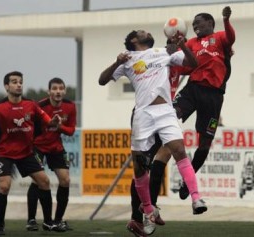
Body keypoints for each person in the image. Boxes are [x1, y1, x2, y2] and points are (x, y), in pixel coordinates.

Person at [99, 30, 207, 235]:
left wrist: (183, 45)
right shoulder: (127, 58)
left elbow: (193, 64)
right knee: (140, 167)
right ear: (133, 40)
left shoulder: (162, 52)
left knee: (179, 150)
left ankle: (196, 198)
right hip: (143, 114)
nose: (147, 32)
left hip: (166, 110)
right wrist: (116, 62)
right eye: (142, 32)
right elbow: (102, 80)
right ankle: (147, 210)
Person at [0, 71, 66, 235]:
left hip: (26, 153)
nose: (19, 84)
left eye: (20, 82)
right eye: (14, 82)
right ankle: (0, 225)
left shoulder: (31, 105)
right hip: (4, 153)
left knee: (44, 181)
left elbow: (47, 119)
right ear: (6, 86)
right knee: (4, 186)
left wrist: (53, 122)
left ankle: (48, 222)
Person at [126, 39, 192, 237]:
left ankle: (150, 208)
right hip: (148, 114)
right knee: (142, 165)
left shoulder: (178, 62)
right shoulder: (157, 60)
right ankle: (137, 218)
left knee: (164, 157)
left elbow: (196, 64)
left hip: (165, 114)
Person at [173, 6, 236, 200]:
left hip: (213, 96)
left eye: (198, 22)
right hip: (193, 89)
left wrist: (226, 19)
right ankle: (150, 152)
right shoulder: (192, 42)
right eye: (193, 24)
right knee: (170, 114)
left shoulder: (220, 38)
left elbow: (231, 38)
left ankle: (188, 179)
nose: (194, 26)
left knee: (205, 143)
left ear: (210, 22)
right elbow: (183, 66)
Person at [26, 77, 76, 231]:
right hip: (37, 147)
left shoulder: (70, 106)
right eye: (54, 89)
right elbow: (29, 127)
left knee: (65, 180)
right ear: (49, 92)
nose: (58, 91)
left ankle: (57, 220)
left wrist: (59, 125)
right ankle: (31, 219)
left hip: (56, 147)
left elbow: (71, 131)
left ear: (65, 91)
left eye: (61, 88)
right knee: (39, 181)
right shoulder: (39, 106)